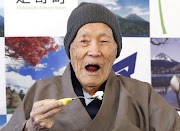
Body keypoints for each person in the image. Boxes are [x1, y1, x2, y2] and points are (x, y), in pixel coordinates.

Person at [2, 2, 180, 131]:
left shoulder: (142, 95)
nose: (94, 51)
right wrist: (29, 128)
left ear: (116, 49)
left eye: (104, 41)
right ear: (70, 49)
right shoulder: (41, 90)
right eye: (84, 41)